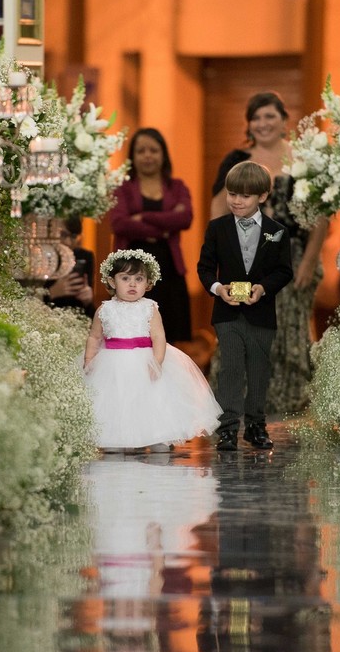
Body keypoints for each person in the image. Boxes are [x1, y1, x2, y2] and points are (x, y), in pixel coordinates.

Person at [209, 92, 329, 419]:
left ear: (284, 120)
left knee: (288, 329)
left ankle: (284, 408)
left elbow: (321, 214)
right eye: (256, 118)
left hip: (291, 258)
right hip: (245, 258)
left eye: (269, 116)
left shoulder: (304, 160)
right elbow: (218, 209)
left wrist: (307, 261)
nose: (262, 124)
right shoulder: (237, 159)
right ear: (249, 124)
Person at [82, 250, 221, 452]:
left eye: (139, 279)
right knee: (117, 403)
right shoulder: (104, 310)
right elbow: (94, 336)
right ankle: (117, 439)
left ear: (148, 283)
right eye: (125, 278)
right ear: (112, 282)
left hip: (144, 360)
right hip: (112, 364)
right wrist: (89, 359)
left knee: (151, 401)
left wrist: (157, 361)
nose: (132, 284)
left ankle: (156, 436)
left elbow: (158, 337)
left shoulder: (150, 308)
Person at [198, 161, 293, 451]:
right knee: (230, 369)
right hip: (227, 312)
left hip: (261, 312)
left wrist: (263, 288)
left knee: (258, 370)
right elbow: (204, 267)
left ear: (263, 196)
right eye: (232, 194)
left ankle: (255, 425)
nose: (236, 201)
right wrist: (218, 289)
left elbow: (284, 271)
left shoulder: (277, 231)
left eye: (245, 196)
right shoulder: (217, 228)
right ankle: (227, 429)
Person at [107, 128, 193, 341]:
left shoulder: (177, 187)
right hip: (130, 272)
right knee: (132, 335)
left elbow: (185, 218)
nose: (147, 155)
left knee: (171, 336)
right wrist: (165, 225)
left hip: (169, 270)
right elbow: (118, 223)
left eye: (153, 150)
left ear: (163, 155)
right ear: (132, 157)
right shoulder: (122, 188)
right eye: (141, 151)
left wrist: (142, 217)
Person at [46, 215, 94, 318]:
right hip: (47, 318)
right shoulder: (41, 257)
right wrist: (52, 293)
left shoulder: (84, 256)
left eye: (73, 236)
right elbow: (30, 302)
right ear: (49, 231)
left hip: (78, 318)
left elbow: (87, 310)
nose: (68, 242)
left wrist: (87, 299)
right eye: (63, 234)